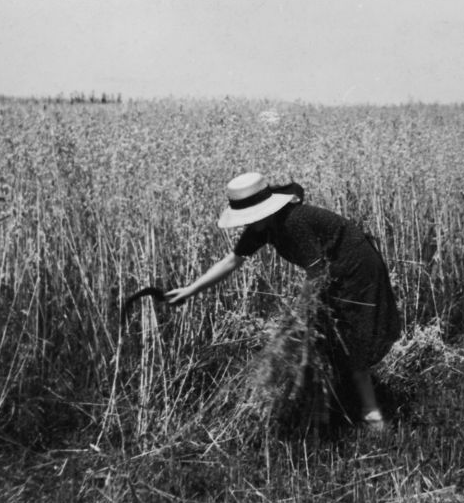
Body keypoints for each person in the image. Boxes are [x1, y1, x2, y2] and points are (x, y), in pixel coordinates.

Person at [166, 172, 401, 430]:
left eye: (253, 215)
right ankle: (327, 409)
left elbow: (317, 271)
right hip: (332, 274)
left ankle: (371, 415)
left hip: (357, 270)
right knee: (327, 343)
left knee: (351, 339)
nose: (250, 222)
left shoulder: (293, 222)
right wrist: (191, 289)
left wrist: (300, 313)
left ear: (266, 208)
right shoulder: (262, 226)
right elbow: (232, 261)